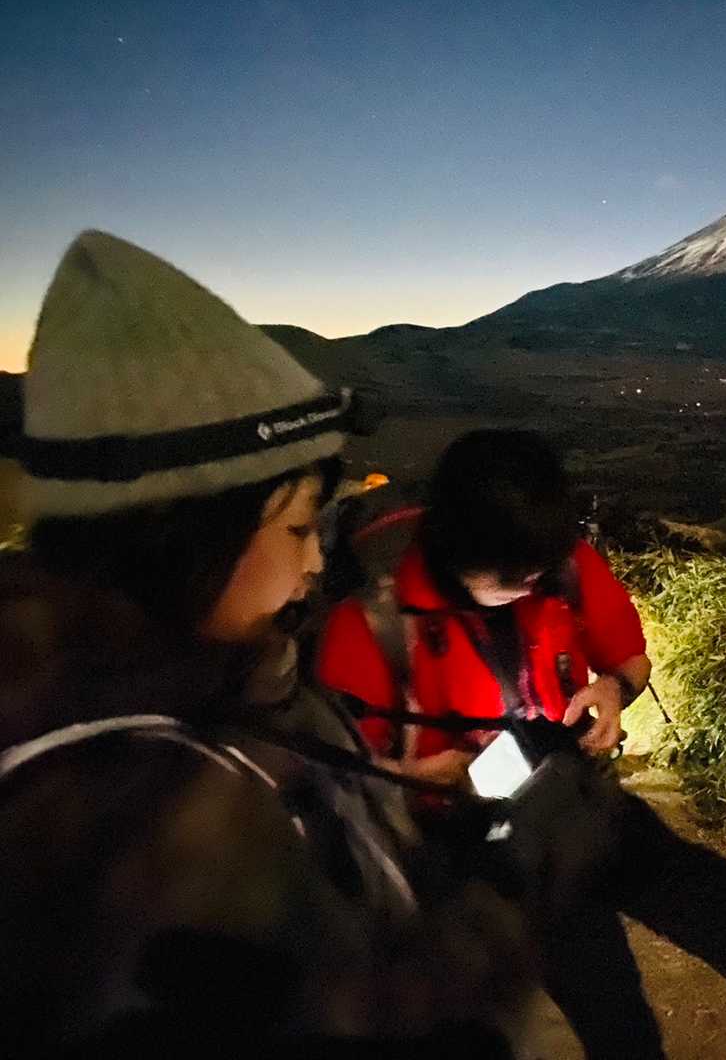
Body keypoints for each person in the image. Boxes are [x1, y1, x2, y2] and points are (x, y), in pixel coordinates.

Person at [0, 231, 527, 1054]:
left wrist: (384, 795)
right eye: (298, 528)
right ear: (185, 535)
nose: (315, 564)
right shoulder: (138, 818)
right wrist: (519, 884)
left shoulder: (180, 682)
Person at [313, 428, 665, 1056]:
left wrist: (614, 688)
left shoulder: (561, 564)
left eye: (537, 574)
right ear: (453, 549)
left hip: (555, 826)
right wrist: (409, 778)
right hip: (441, 858)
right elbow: (331, 774)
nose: (528, 586)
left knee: (614, 1007)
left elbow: (629, 658)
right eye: (509, 578)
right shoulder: (370, 621)